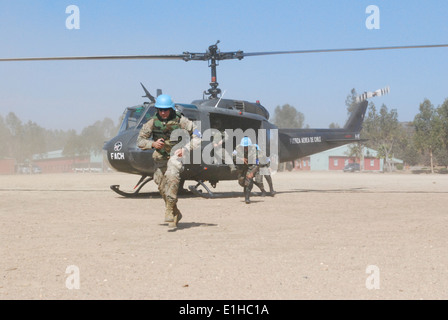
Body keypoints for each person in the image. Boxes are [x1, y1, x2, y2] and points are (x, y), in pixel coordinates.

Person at [137, 94, 201, 228]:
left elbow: (197, 135)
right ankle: (175, 211)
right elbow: (140, 141)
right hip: (160, 157)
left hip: (175, 155)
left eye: (166, 110)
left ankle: (168, 210)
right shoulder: (152, 122)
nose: (163, 112)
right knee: (162, 186)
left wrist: (186, 148)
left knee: (172, 176)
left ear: (171, 109)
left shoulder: (181, 121)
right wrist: (152, 144)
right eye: (160, 110)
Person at [233, 137, 267, 204]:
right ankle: (246, 189)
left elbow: (258, 163)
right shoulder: (238, 148)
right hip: (242, 167)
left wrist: (252, 172)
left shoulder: (255, 151)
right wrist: (240, 159)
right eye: (244, 146)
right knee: (241, 182)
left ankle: (247, 198)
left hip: (251, 167)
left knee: (249, 181)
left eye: (247, 146)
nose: (245, 148)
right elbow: (233, 156)